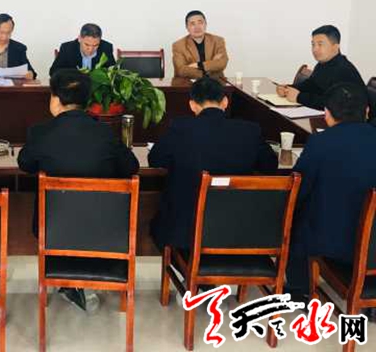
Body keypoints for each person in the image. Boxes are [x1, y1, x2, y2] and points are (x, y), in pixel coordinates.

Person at [18, 69, 139, 312]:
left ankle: (69, 280)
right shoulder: (105, 133)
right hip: (103, 229)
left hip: (54, 229)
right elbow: (131, 167)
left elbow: (25, 164)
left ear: (56, 99)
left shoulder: (41, 132)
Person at [149, 77, 278, 251]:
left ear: (192, 105)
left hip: (186, 237)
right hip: (241, 235)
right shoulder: (250, 131)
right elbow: (270, 165)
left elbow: (155, 159)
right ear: (225, 102)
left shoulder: (180, 128)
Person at [285, 83, 376, 301]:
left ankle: (300, 289)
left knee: (296, 212)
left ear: (327, 114)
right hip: (373, 243)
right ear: (366, 111)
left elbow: (299, 190)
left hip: (336, 245)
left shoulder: (320, 143)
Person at [276, 25, 365, 110]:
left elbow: (334, 103)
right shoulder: (322, 64)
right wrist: (288, 89)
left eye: (320, 44)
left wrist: (299, 97)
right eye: (313, 44)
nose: (315, 49)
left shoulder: (344, 70)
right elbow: (311, 85)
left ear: (335, 47)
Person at [172, 10, 229, 79]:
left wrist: (199, 65)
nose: (197, 27)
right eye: (192, 24)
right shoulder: (178, 45)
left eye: (200, 23)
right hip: (189, 83)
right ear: (187, 27)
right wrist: (211, 66)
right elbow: (181, 70)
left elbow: (222, 63)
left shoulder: (218, 41)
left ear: (205, 24)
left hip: (216, 82)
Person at [49, 23, 116, 76]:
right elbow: (53, 71)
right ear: (79, 38)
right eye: (87, 44)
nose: (90, 49)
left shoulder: (106, 48)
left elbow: (113, 72)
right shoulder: (67, 48)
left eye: (95, 45)